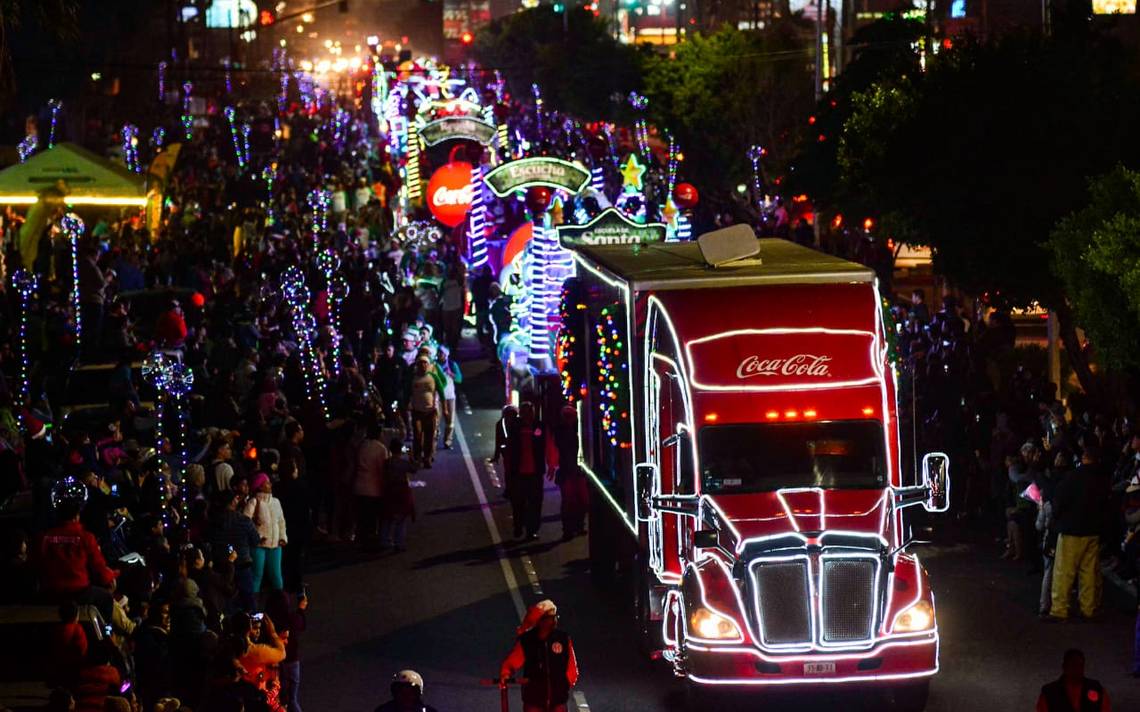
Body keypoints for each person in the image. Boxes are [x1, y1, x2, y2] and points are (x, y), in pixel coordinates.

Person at [38, 478, 118, 622]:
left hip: (51, 594)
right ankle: (107, 635)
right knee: (106, 599)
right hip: (79, 593)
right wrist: (114, 574)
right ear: (78, 512)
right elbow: (100, 571)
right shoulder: (85, 537)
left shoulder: (44, 537)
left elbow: (36, 564)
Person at [1046, 445, 1109, 622]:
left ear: (1083, 457)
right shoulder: (1101, 479)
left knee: (1064, 571)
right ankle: (1088, 609)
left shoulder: (1073, 477)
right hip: (1093, 530)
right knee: (1088, 573)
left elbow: (1059, 501)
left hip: (1071, 529)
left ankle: (1059, 609)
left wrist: (1056, 520)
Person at [499, 600, 579, 712]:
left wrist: (563, 685)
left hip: (558, 702)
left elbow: (572, 667)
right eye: (550, 618)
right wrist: (505, 674)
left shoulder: (563, 639)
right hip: (534, 701)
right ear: (541, 620)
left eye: (554, 617)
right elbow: (512, 661)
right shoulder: (527, 640)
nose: (554, 621)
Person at [505, 402, 546, 540]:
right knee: (519, 503)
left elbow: (545, 445)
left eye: (531, 412)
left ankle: (531, 530)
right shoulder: (515, 427)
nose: (528, 415)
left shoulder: (539, 426)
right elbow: (510, 448)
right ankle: (518, 526)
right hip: (519, 473)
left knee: (535, 503)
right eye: (525, 412)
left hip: (535, 472)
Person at [244, 472, 288, 597]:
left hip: (275, 545)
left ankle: (280, 602)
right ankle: (252, 605)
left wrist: (282, 537)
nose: (270, 484)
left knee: (276, 575)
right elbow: (245, 523)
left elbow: (281, 521)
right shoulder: (253, 502)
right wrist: (256, 538)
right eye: (267, 482)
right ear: (260, 486)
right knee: (257, 575)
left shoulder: (276, 502)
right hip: (259, 546)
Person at [1036, 649, 1111, 712]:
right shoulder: (1050, 692)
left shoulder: (1096, 688)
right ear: (1064, 667)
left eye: (1080, 665)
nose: (1077, 669)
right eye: (1073, 665)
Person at [354, 422, 389, 548]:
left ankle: (361, 540)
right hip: (373, 488)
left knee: (362, 516)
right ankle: (371, 542)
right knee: (372, 517)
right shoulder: (380, 448)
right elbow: (382, 469)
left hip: (359, 485)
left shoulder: (362, 445)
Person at [554, 406, 587, 540]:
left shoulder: (576, 430)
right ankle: (568, 529)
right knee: (568, 502)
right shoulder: (562, 432)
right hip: (567, 471)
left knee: (581, 501)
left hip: (576, 471)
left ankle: (578, 526)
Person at [381, 439, 416, 551]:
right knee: (401, 518)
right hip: (401, 490)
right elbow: (414, 469)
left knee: (387, 516)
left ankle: (384, 541)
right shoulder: (403, 464)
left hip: (389, 490)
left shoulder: (386, 462)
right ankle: (399, 543)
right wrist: (411, 456)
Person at [409, 355, 439, 468]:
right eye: (421, 363)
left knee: (429, 436)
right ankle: (417, 457)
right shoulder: (413, 378)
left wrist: (442, 406)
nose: (423, 365)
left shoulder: (433, 377)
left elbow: (441, 389)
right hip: (417, 411)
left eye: (425, 363)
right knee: (417, 435)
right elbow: (407, 391)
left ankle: (427, 458)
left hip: (430, 411)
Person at [435, 346, 462, 450]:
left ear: (446, 354)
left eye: (441, 353)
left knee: (450, 421)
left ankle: (448, 441)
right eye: (438, 353)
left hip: (450, 397)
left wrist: (452, 374)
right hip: (438, 398)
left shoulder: (452, 364)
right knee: (436, 420)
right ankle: (434, 440)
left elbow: (459, 379)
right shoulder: (434, 365)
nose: (439, 355)